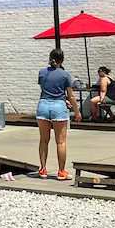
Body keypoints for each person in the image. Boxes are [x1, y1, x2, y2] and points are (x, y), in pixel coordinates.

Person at [36, 48, 81, 180]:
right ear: (62, 60)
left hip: (43, 105)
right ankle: (61, 171)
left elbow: (44, 88)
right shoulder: (65, 75)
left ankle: (43, 169)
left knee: (44, 140)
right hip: (58, 106)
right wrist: (77, 112)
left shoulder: (42, 72)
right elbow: (71, 96)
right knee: (60, 142)